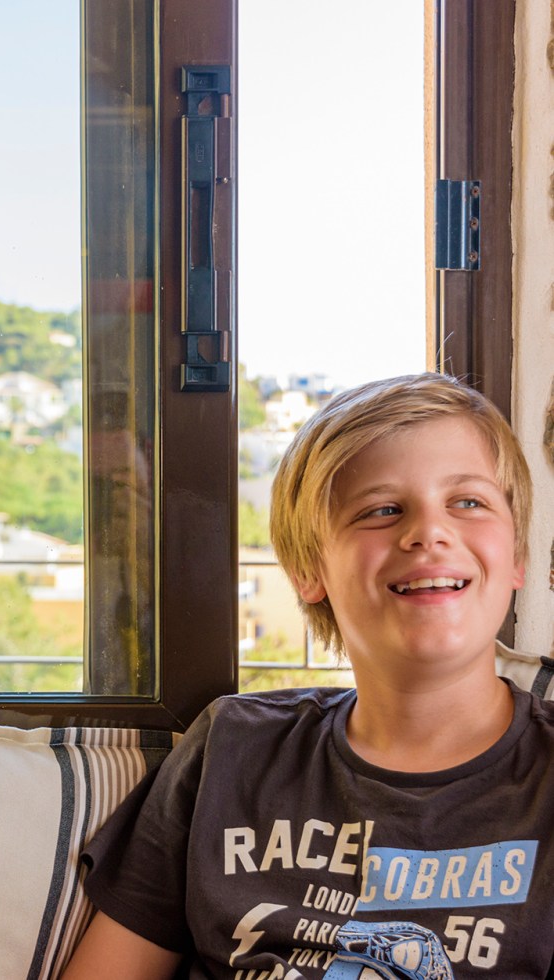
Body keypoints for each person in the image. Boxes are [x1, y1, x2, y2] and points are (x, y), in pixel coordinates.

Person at [63, 373, 554, 979]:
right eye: (381, 510)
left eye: (469, 502)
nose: (429, 531)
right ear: (307, 569)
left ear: (518, 555)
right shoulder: (232, 749)